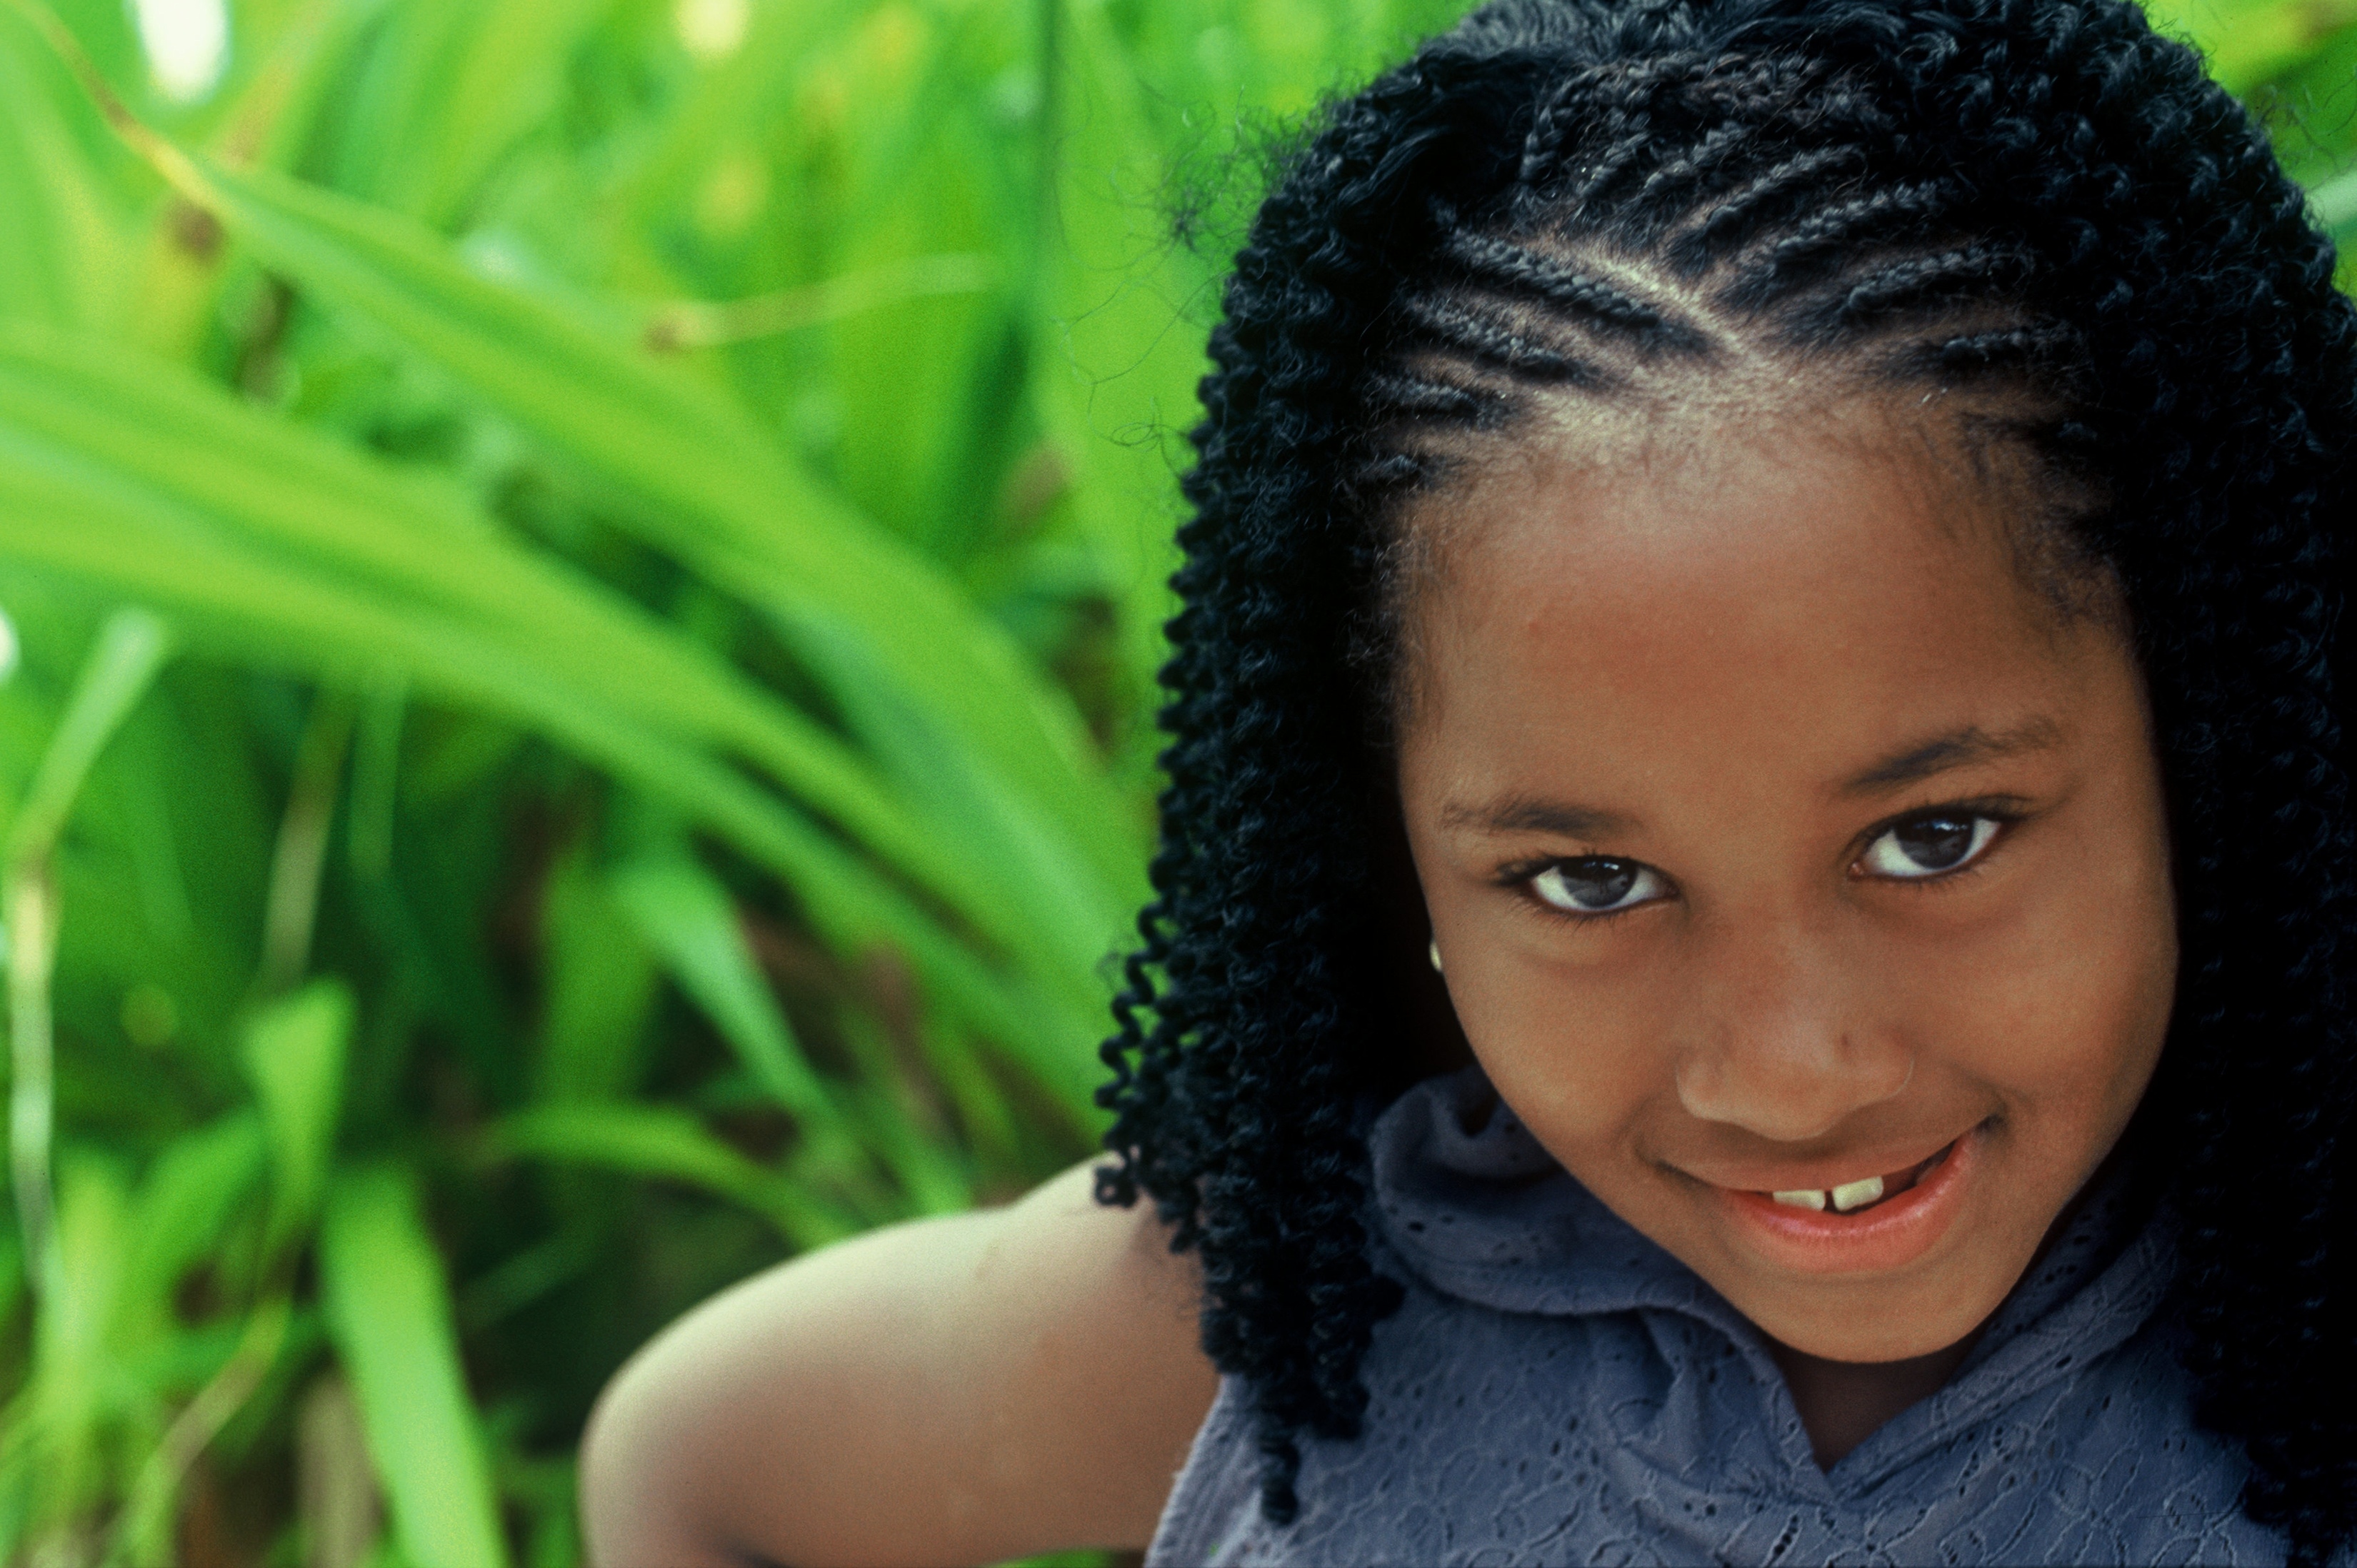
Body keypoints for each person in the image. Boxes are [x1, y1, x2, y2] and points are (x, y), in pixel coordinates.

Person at [576, 0, 2357, 1561]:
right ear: (1391, 844)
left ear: (2211, 734)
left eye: (1934, 838)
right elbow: (694, 1469)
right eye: (1589, 881)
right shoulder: (1297, 1313)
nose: (1793, 1071)